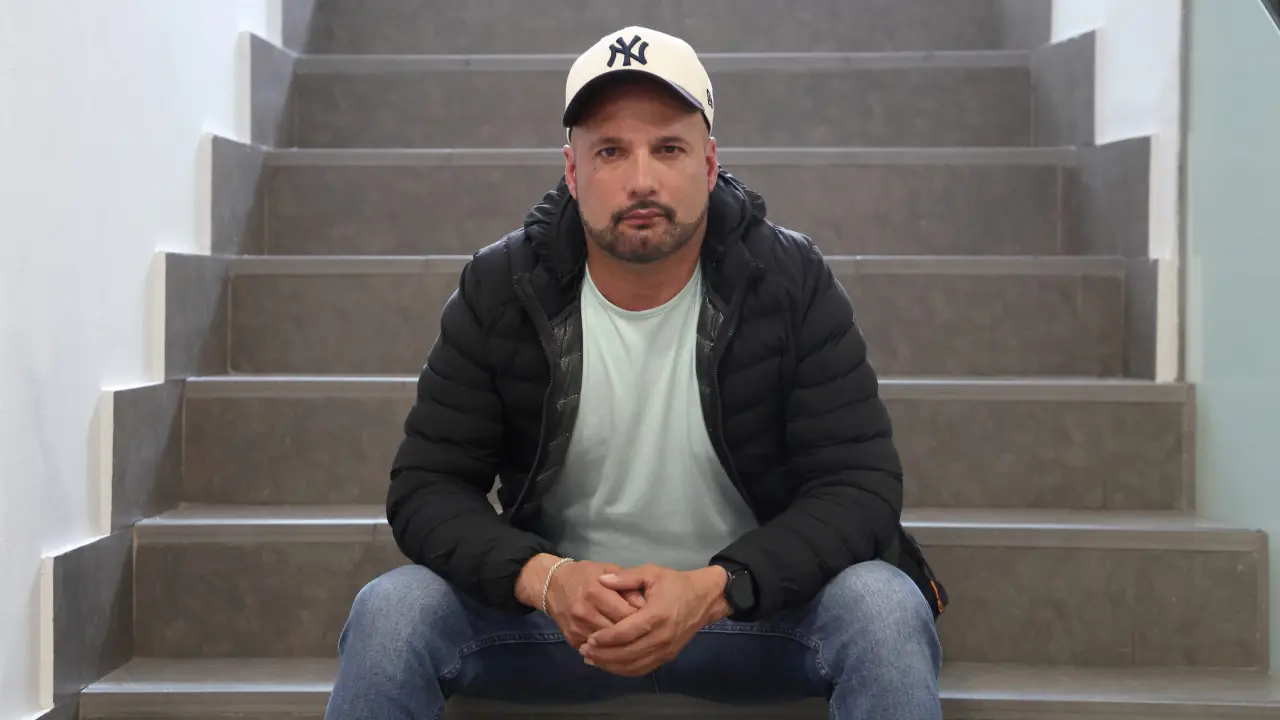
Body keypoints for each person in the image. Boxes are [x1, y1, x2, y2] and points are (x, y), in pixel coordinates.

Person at [324, 25, 947, 720]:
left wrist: (713, 589)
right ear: (573, 172)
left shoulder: (788, 280)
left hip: (749, 613)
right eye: (611, 151)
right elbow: (427, 487)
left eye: (669, 148)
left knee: (883, 606)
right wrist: (548, 579)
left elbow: (859, 486)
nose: (642, 180)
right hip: (561, 625)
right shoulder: (502, 286)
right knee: (393, 611)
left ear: (709, 164)